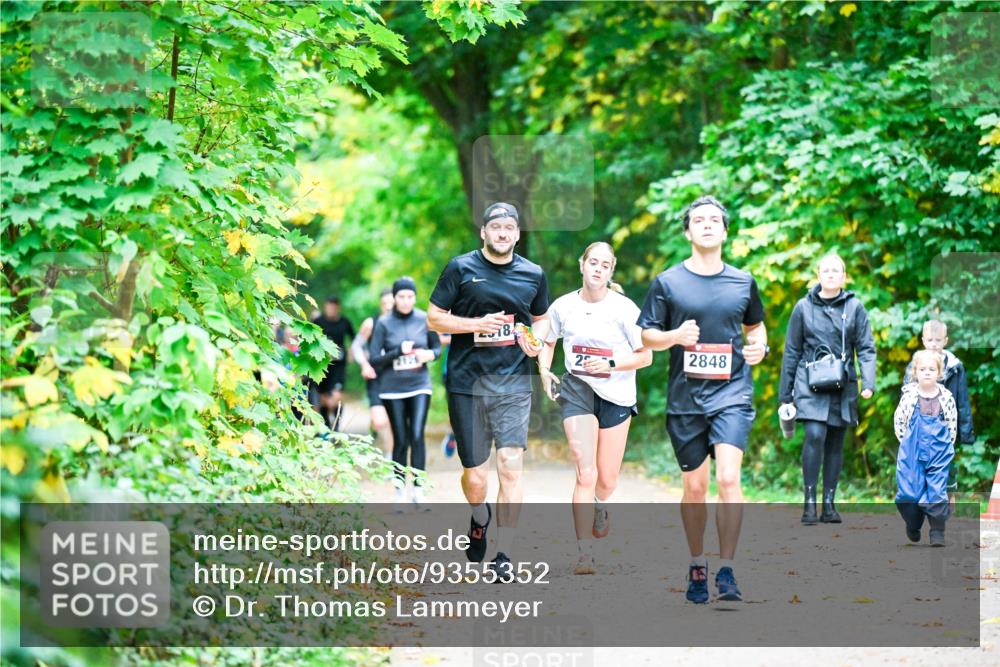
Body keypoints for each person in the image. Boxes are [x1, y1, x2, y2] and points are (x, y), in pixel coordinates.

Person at [637, 195, 767, 604]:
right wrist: (675, 337)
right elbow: (647, 336)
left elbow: (756, 329)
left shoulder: (743, 281)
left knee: (728, 479)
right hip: (686, 398)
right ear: (688, 231)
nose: (708, 225)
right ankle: (697, 562)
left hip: (732, 392)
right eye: (699, 220)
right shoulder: (669, 282)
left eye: (715, 220)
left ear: (725, 231)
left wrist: (758, 349)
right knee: (695, 488)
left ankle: (727, 569)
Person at [427, 202, 549, 581]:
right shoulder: (461, 268)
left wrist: (534, 340)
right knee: (475, 476)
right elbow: (434, 318)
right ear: (483, 232)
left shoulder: (533, 274)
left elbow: (542, 321)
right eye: (495, 226)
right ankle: (480, 517)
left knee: (510, 466)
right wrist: (474, 325)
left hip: (513, 383)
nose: (502, 233)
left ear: (516, 234)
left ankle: (504, 554)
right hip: (467, 384)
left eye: (509, 227)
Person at [538, 242, 652, 575]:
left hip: (616, 393)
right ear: (582, 265)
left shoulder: (625, 309)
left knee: (607, 479)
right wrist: (545, 371)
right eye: (593, 262)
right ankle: (584, 553)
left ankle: (601, 505)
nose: (598, 269)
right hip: (577, 389)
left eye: (605, 264)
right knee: (585, 471)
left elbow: (646, 356)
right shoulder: (563, 306)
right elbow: (548, 341)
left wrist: (611, 365)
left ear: (611, 271)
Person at [778, 254, 876, 525]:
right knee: (815, 433)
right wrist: (785, 394)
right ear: (818, 275)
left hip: (842, 383)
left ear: (844, 276)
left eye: (836, 270)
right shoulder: (802, 307)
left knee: (835, 440)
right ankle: (809, 502)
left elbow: (866, 348)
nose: (831, 274)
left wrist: (868, 382)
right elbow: (791, 351)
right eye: (826, 270)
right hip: (808, 382)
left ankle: (829, 505)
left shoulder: (855, 307)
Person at [368, 277, 441, 510]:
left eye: (410, 296)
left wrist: (429, 355)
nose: (406, 301)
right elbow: (374, 359)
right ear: (394, 298)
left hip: (420, 384)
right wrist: (398, 351)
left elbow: (437, 347)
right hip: (392, 389)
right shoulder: (383, 323)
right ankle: (400, 492)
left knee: (417, 435)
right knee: (401, 439)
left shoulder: (424, 319)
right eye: (402, 297)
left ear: (415, 297)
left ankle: (418, 491)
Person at [902, 319, 975, 497]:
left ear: (946, 341)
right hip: (920, 428)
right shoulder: (916, 365)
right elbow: (905, 398)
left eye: (938, 340)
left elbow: (962, 401)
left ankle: (948, 501)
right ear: (923, 340)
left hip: (945, 428)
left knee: (948, 467)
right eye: (930, 340)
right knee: (920, 467)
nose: (934, 345)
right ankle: (923, 503)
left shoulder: (955, 367)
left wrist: (965, 432)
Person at [894, 349, 958, 546]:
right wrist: (906, 445)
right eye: (923, 369)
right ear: (916, 372)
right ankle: (913, 524)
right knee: (908, 493)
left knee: (937, 491)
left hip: (939, 451)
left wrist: (947, 447)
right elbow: (899, 422)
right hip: (912, 450)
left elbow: (951, 424)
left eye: (932, 369)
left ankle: (937, 531)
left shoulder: (946, 398)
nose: (927, 372)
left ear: (939, 373)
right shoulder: (909, 397)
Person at [351, 287, 396, 459]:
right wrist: (364, 365)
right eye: (385, 304)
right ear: (380, 304)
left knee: (392, 421)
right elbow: (356, 346)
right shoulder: (371, 323)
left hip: (395, 376)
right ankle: (373, 427)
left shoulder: (401, 323)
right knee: (379, 421)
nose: (388, 307)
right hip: (375, 376)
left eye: (391, 303)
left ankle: (390, 457)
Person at [311, 296, 355, 431]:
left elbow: (355, 338)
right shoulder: (318, 321)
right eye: (329, 307)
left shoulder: (344, 322)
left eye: (334, 307)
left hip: (339, 366)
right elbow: (309, 339)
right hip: (322, 366)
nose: (332, 310)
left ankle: (336, 426)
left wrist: (352, 353)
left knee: (336, 396)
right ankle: (326, 428)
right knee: (323, 398)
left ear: (338, 308)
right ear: (325, 307)